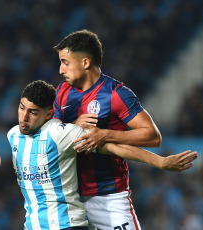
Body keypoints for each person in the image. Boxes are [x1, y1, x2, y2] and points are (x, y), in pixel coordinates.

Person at [7, 80, 197, 230]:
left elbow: (112, 147)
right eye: (22, 108)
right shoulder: (13, 135)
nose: (24, 117)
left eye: (32, 112)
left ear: (49, 114)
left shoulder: (59, 133)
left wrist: (161, 162)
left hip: (65, 224)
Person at [53, 29, 163, 230]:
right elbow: (52, 136)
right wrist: (72, 127)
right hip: (69, 198)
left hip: (108, 197)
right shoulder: (62, 92)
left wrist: (105, 134)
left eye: (65, 62)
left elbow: (152, 136)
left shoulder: (116, 94)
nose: (61, 70)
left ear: (85, 63)